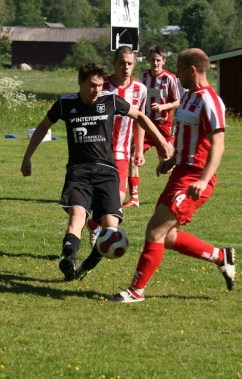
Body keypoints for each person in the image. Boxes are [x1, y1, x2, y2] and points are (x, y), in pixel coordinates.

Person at [21, 62, 172, 282]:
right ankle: (68, 259)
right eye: (92, 85)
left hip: (107, 173)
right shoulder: (65, 104)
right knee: (78, 216)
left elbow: (139, 116)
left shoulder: (109, 100)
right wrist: (27, 157)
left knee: (111, 230)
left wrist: (162, 143)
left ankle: (86, 266)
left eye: (100, 85)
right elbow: (43, 126)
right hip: (78, 172)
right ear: (80, 82)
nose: (96, 90)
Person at [109, 48, 236, 303]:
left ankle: (136, 291)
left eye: (179, 69)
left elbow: (218, 144)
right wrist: (172, 160)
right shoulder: (189, 97)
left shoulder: (210, 100)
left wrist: (202, 179)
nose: (176, 74)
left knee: (155, 231)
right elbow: (190, 138)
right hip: (180, 173)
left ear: (192, 70)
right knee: (167, 236)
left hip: (195, 178)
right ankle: (221, 257)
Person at [123, 45, 180, 208]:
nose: (155, 63)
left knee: (167, 164)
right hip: (147, 125)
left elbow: (178, 100)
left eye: (158, 60)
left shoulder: (170, 78)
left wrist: (163, 107)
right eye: (152, 60)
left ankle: (176, 193)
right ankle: (134, 198)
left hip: (163, 126)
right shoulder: (143, 76)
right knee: (133, 155)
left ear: (163, 61)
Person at [103, 46, 148, 206]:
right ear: (114, 63)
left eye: (129, 63)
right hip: (99, 152)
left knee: (117, 200)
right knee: (101, 198)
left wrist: (139, 149)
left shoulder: (140, 90)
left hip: (122, 153)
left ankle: (95, 225)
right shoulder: (101, 86)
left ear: (134, 64)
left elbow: (140, 121)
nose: (126, 67)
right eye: (122, 63)